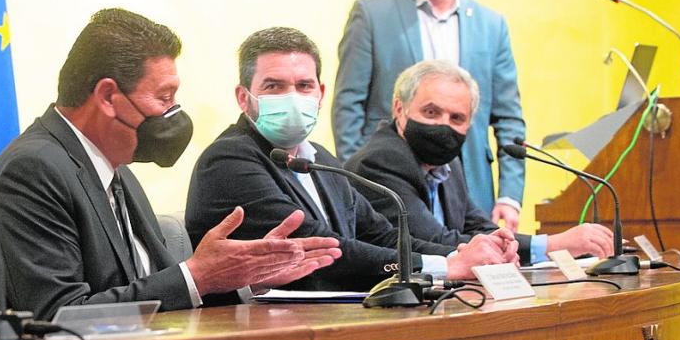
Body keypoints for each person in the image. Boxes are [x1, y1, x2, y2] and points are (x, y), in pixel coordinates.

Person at [0, 9, 342, 322]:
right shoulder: (32, 172)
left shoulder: (117, 171)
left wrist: (244, 279)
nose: (173, 113)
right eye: (164, 97)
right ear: (109, 96)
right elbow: (58, 317)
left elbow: (154, 291)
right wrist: (196, 276)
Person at [185, 27, 516, 292]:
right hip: (255, 334)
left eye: (303, 85)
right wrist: (448, 266)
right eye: (274, 86)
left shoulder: (318, 159)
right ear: (245, 98)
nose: (292, 97)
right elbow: (321, 248)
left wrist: (472, 255)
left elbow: (382, 235)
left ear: (321, 94)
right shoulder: (229, 159)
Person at [331, 0, 526, 230]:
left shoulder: (492, 25)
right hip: (396, 185)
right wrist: (359, 181)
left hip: (471, 188)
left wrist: (510, 195)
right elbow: (348, 106)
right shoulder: (372, 15)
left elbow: (509, 117)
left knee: (481, 259)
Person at [346, 59, 614, 264]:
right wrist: (553, 245)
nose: (443, 126)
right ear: (399, 109)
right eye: (431, 112)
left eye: (457, 118)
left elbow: (478, 227)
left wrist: (505, 243)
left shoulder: (447, 162)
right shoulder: (380, 161)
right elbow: (433, 240)